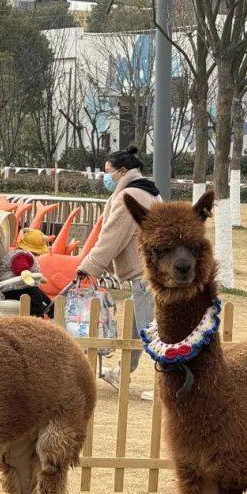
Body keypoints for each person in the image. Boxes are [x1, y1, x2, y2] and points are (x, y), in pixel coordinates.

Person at [76, 145, 161, 398]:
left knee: (153, 330)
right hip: (152, 270)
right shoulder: (148, 190)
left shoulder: (128, 197)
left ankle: (165, 385)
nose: (105, 177)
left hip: (144, 272)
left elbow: (112, 238)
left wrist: (88, 267)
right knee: (136, 327)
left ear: (122, 171)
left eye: (108, 172)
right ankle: (123, 371)